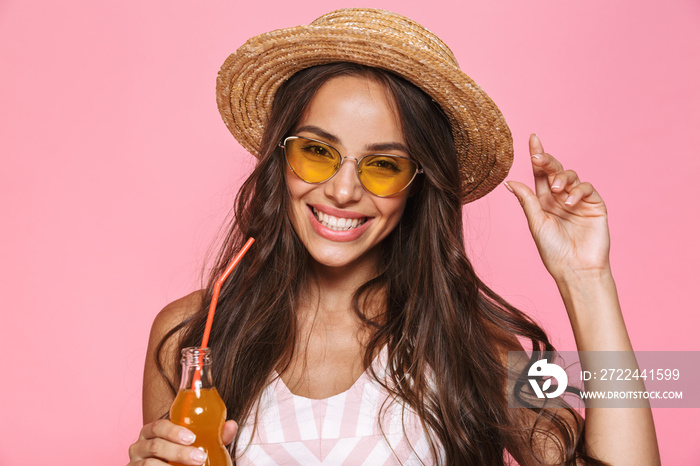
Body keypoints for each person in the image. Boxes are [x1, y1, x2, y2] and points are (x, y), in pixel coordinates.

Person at [128, 8, 660, 466]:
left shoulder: (467, 346)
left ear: (416, 185)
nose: (342, 191)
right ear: (280, 159)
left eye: (382, 165)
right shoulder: (190, 337)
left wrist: (586, 278)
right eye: (317, 151)